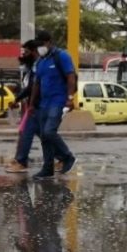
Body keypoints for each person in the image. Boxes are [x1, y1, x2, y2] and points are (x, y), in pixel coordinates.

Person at [30, 30, 77, 180]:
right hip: (44, 103)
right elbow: (36, 84)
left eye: (42, 44)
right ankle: (47, 167)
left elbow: (70, 77)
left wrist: (70, 98)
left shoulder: (61, 56)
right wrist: (31, 104)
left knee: (50, 132)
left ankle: (67, 156)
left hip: (58, 101)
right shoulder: (41, 61)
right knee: (44, 136)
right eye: (38, 45)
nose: (40, 48)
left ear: (49, 42)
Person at [6, 39, 58, 174]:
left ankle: (21, 161)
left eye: (27, 52)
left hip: (38, 105)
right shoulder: (33, 66)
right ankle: (63, 156)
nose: (24, 55)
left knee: (27, 132)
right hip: (35, 105)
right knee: (42, 134)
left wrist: (19, 99)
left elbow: (32, 88)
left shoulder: (39, 65)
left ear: (34, 51)